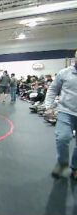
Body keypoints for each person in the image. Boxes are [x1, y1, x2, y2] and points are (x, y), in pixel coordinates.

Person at [46, 50, 77, 179]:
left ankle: (75, 167)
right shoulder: (64, 73)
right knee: (62, 138)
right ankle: (62, 162)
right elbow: (53, 89)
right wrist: (48, 106)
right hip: (66, 111)